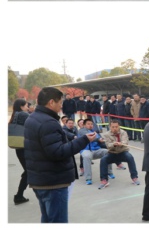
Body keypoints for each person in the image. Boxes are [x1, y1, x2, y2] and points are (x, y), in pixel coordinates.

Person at [24, 87, 95, 222]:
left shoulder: (33, 118)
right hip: (52, 182)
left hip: (40, 178)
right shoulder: (48, 122)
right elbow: (58, 152)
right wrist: (84, 140)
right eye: (60, 102)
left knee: (47, 219)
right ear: (51, 102)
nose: (61, 106)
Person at [99, 120, 140, 188]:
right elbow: (108, 145)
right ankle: (104, 180)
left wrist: (121, 143)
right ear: (110, 127)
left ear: (119, 126)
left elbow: (125, 141)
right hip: (112, 153)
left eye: (116, 127)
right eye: (113, 127)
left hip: (123, 152)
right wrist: (114, 144)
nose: (114, 128)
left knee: (130, 157)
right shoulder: (106, 134)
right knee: (103, 160)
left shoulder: (123, 132)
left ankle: (134, 177)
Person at [78, 118, 113, 185]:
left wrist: (108, 142)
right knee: (87, 156)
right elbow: (89, 137)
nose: (90, 125)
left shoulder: (95, 132)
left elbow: (101, 140)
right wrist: (98, 139)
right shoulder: (81, 131)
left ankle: (109, 172)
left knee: (107, 152)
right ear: (84, 125)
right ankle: (88, 178)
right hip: (86, 150)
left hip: (96, 150)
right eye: (88, 124)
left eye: (91, 124)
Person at [11, 99, 30, 205]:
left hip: (19, 147)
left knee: (28, 171)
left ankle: (19, 195)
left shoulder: (15, 114)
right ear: (21, 106)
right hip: (25, 147)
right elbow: (34, 122)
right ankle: (19, 196)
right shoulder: (23, 114)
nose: (28, 108)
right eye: (26, 106)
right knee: (29, 171)